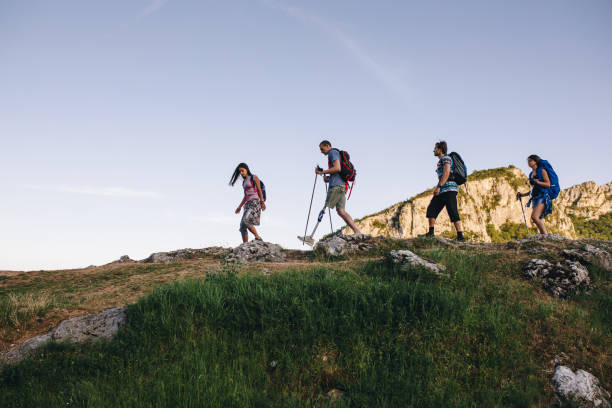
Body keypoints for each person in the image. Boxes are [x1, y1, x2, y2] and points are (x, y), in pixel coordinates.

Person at [315, 140, 361, 234]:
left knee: (325, 207)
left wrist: (321, 172)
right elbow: (337, 172)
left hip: (336, 187)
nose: (321, 151)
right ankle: (357, 231)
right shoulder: (336, 153)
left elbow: (337, 168)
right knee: (341, 211)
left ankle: (310, 236)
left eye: (322, 149)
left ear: (327, 146)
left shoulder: (332, 153)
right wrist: (327, 179)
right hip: (342, 186)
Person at [424, 141, 464, 241]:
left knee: (453, 211)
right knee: (431, 209)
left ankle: (460, 236)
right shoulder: (441, 160)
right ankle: (431, 233)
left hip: (449, 189)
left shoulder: (446, 158)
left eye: (435, 148)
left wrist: (439, 186)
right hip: (443, 190)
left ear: (440, 149)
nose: (433, 150)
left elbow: (446, 172)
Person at [229, 163, 266, 243]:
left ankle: (258, 237)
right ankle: (245, 244)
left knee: (246, 221)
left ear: (247, 169)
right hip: (247, 204)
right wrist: (239, 207)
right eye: (240, 172)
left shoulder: (254, 177)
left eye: (242, 171)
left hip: (255, 202)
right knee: (242, 226)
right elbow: (245, 196)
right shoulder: (244, 182)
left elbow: (259, 190)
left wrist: (262, 202)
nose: (241, 173)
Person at [516, 154, 551, 234]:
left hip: (543, 196)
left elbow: (548, 184)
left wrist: (537, 182)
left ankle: (545, 236)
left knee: (534, 217)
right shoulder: (531, 174)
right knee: (538, 218)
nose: (528, 162)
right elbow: (532, 190)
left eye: (530, 160)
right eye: (527, 161)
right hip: (535, 198)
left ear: (536, 161)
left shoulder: (542, 171)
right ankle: (544, 236)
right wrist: (522, 195)